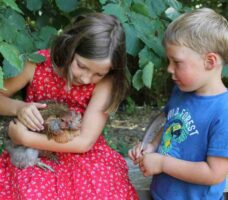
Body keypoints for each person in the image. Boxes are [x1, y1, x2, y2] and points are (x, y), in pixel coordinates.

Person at [0, 13, 138, 200]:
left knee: (103, 193)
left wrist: (25, 137)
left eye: (98, 73)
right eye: (81, 66)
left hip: (83, 155)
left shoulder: (106, 83)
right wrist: (18, 108)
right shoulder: (36, 65)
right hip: (36, 155)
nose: (87, 78)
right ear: (70, 46)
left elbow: (84, 142)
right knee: (33, 193)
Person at [128, 8, 228, 200]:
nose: (169, 69)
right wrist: (152, 146)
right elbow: (169, 124)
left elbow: (214, 173)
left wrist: (162, 163)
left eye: (177, 62)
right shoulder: (181, 92)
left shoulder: (226, 112)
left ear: (210, 61)